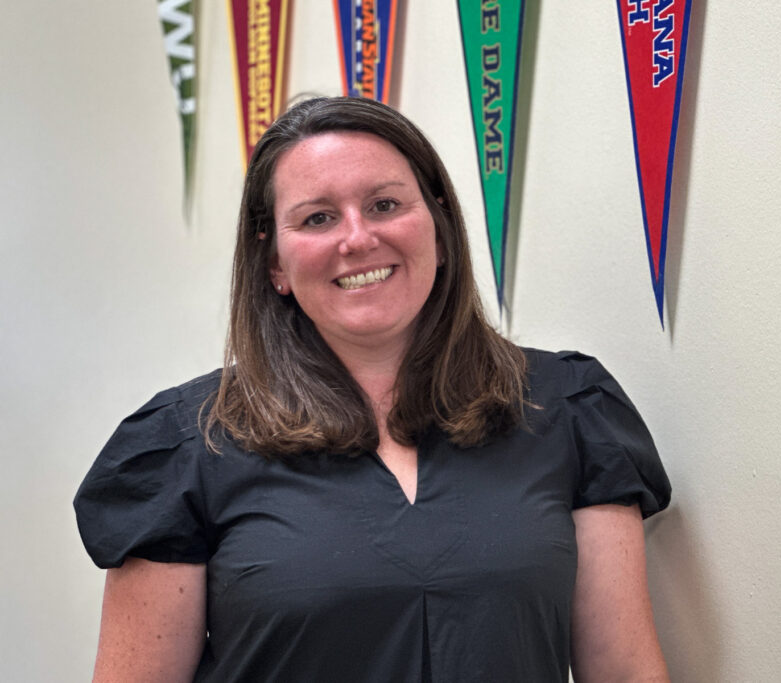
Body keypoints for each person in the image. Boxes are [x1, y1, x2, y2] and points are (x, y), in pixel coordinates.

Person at [75, 96, 672, 682]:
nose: (357, 239)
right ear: (275, 265)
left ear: (438, 227)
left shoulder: (567, 407)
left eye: (384, 204)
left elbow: (623, 670)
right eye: (317, 218)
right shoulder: (183, 446)